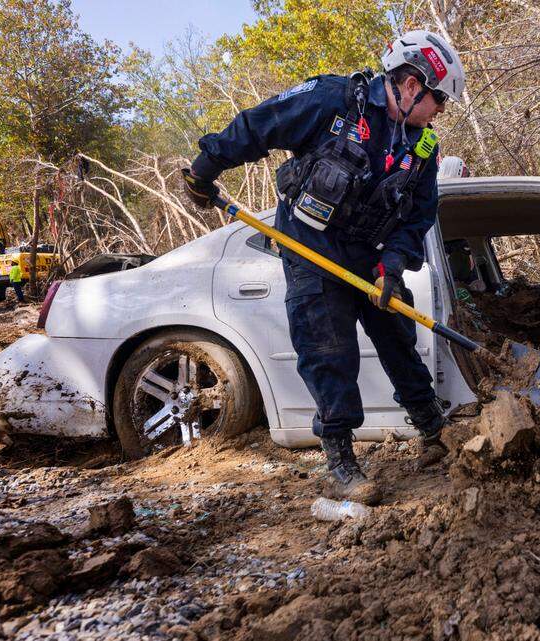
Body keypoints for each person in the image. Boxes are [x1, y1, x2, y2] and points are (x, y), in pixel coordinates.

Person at [182, 31, 467, 505]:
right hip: (312, 250)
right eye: (439, 99)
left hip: (372, 257)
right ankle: (341, 460)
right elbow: (260, 125)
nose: (441, 111)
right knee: (330, 352)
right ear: (412, 85)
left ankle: (434, 433)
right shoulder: (333, 100)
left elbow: (418, 217)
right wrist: (205, 167)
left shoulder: (423, 148)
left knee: (399, 337)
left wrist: (392, 266)